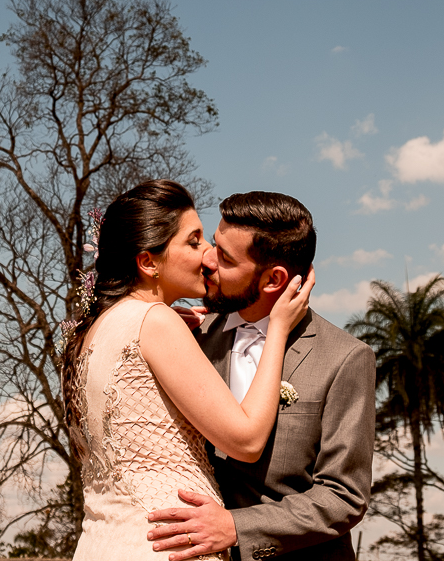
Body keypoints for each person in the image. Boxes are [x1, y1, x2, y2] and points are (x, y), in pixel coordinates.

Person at [63, 180, 314, 561]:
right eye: (194, 242)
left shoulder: (89, 334)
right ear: (148, 262)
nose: (209, 256)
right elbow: (245, 442)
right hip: (172, 545)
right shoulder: (157, 323)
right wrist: (277, 329)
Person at [145, 191, 376, 561]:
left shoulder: (345, 358)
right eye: (214, 244)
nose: (207, 259)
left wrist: (237, 527)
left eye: (225, 258)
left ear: (273, 280)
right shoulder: (190, 335)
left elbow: (343, 495)